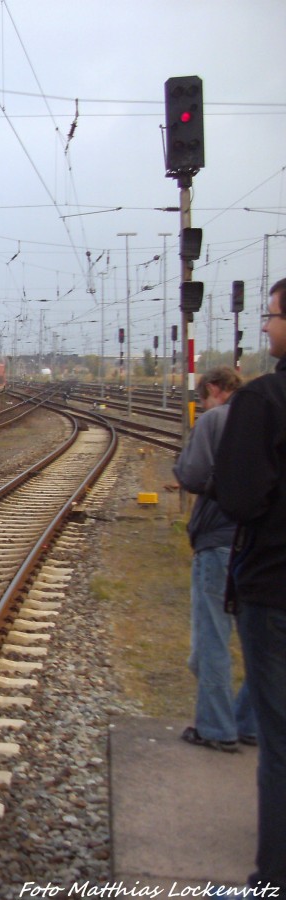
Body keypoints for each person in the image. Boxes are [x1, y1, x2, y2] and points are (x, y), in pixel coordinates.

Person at [212, 276, 286, 891]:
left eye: (272, 316)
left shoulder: (264, 402)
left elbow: (237, 495)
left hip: (274, 584)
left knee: (278, 741)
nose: (265, 326)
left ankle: (273, 878)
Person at [173, 366, 255, 752]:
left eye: (201, 400)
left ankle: (216, 727)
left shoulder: (214, 421)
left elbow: (190, 474)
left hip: (219, 539)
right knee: (264, 639)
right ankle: (250, 723)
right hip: (263, 543)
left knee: (213, 638)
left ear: (212, 390)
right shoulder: (267, 415)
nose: (201, 406)